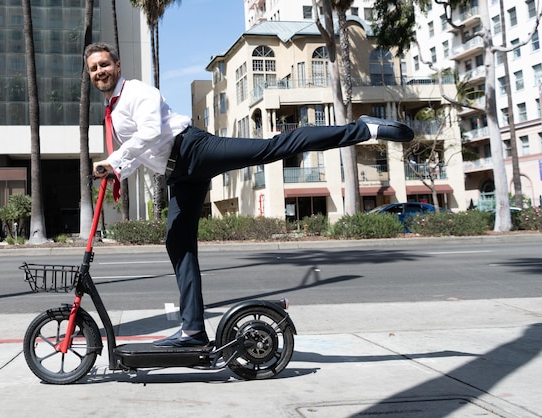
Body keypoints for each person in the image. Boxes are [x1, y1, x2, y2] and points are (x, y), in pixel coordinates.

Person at [85, 42, 414, 347]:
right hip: (178, 173)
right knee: (177, 242)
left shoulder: (137, 92)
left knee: (271, 148)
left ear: (117, 64)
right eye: (93, 68)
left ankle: (364, 128)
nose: (99, 71)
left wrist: (113, 160)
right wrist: (116, 170)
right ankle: (193, 330)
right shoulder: (112, 109)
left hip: (193, 150)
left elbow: (151, 132)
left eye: (104, 65)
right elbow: (143, 152)